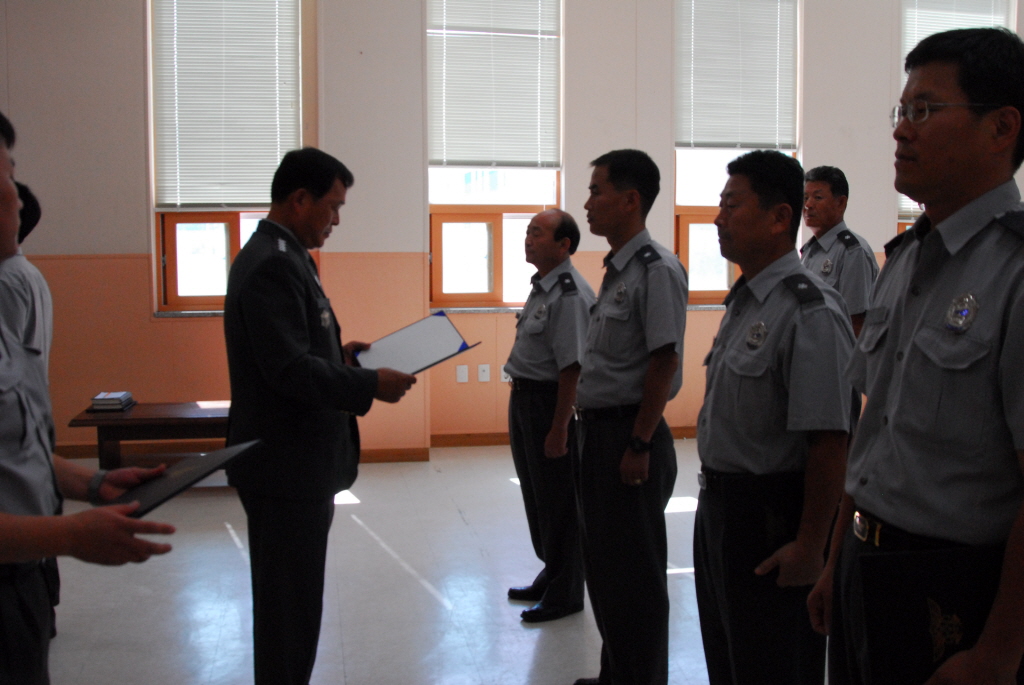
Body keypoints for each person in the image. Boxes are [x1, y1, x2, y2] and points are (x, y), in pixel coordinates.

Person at [808, 27, 1024, 685]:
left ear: (1002, 127)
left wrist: (997, 654)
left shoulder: (1015, 273)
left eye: (925, 110)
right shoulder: (904, 260)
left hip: (954, 585)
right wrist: (836, 559)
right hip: (863, 564)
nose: (902, 131)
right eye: (901, 111)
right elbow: (875, 431)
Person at [223, 146, 417, 685]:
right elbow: (288, 371)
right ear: (299, 199)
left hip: (294, 466)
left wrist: (341, 357)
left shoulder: (286, 255)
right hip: (284, 467)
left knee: (295, 604)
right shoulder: (272, 264)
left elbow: (296, 350)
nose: (336, 220)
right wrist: (369, 384)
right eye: (333, 207)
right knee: (289, 610)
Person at [0, 109, 175, 685]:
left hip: (20, 577)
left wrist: (92, 483)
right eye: (6, 176)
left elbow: (13, 445)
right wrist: (70, 535)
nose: (18, 197)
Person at [693, 150, 854, 685]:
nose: (718, 218)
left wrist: (811, 547)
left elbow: (829, 441)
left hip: (769, 518)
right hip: (719, 510)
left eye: (732, 205)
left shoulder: (809, 310)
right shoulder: (746, 300)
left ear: (779, 217)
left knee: (773, 664)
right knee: (729, 660)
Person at [572, 149, 688, 685]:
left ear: (630, 200)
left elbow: (664, 360)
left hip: (628, 436)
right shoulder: (618, 269)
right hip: (599, 433)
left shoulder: (655, 269)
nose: (588, 204)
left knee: (635, 579)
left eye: (596, 191)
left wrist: (639, 443)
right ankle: (616, 673)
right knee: (606, 571)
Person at [504, 209, 594, 623]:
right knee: (537, 495)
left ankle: (566, 591)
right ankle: (552, 571)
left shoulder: (569, 294)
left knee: (558, 500)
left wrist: (559, 428)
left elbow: (572, 368)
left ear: (564, 245)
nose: (528, 239)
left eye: (537, 233)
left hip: (548, 404)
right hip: (525, 400)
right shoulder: (543, 286)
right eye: (527, 232)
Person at [800, 166, 879, 336]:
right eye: (805, 198)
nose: (808, 205)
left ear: (841, 203)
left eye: (818, 197)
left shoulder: (852, 252)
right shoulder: (809, 250)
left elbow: (855, 323)